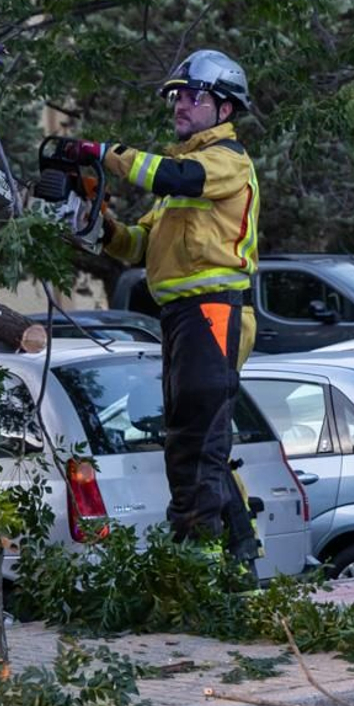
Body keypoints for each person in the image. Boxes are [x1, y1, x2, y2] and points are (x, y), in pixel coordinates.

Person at [59, 49, 262, 573]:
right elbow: (136, 245)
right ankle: (239, 556)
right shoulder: (179, 184)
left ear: (224, 109)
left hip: (215, 311)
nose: (180, 104)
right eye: (176, 95)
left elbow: (171, 175)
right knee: (192, 438)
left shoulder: (222, 163)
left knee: (196, 440)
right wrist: (92, 222)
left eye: (192, 95)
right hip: (182, 317)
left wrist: (105, 153)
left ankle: (200, 557)